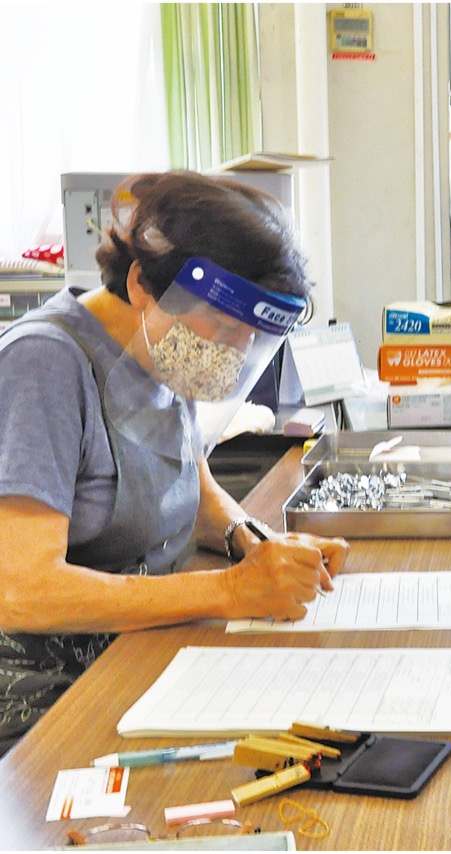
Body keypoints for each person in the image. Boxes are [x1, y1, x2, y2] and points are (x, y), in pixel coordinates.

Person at [0, 171, 349, 752]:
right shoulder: (45, 364)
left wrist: (257, 543)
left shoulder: (159, 348)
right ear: (142, 283)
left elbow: (190, 487)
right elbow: (22, 588)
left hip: (129, 652)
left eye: (251, 337)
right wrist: (232, 591)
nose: (234, 351)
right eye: (224, 325)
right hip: (39, 702)